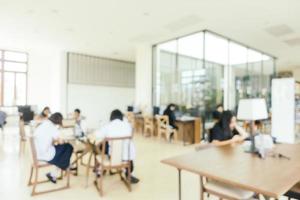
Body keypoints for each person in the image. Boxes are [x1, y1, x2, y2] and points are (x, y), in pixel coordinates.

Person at [95, 109, 139, 184]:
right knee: (121, 146)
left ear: (111, 117)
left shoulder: (108, 126)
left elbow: (97, 135)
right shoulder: (127, 125)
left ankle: (100, 170)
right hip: (128, 159)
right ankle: (128, 173)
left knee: (100, 146)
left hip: (114, 158)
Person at [34, 112, 73, 183]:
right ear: (59, 121)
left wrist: (54, 140)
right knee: (68, 147)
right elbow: (61, 142)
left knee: (62, 150)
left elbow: (48, 139)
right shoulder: (52, 127)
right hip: (46, 155)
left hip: (37, 153)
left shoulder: (44, 124)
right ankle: (64, 167)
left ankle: (59, 170)